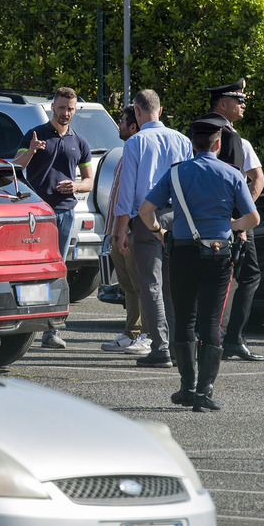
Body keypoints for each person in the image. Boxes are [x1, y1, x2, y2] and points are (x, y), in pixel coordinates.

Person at [139, 115, 260, 412]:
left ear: (192, 144)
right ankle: (204, 392)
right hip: (218, 254)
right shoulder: (231, 174)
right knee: (211, 322)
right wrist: (231, 225)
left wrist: (160, 232)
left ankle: (187, 387)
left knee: (184, 319)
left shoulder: (177, 173)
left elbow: (145, 210)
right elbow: (253, 218)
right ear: (218, 144)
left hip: (182, 251)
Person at [113, 89, 193, 368]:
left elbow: (127, 192)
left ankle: (160, 348)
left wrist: (122, 229)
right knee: (172, 286)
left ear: (136, 111)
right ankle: (174, 344)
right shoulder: (183, 140)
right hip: (177, 218)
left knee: (151, 285)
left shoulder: (135, 143)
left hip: (146, 218)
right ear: (160, 109)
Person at [13, 86, 93, 349]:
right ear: (52, 108)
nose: (65, 113)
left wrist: (76, 186)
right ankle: (23, 327)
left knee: (59, 270)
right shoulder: (34, 135)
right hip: (37, 214)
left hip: (66, 212)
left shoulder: (80, 142)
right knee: (33, 270)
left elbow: (89, 181)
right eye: (61, 108)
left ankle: (53, 329)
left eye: (70, 109)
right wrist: (32, 151)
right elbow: (15, 168)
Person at [200, 79, 264, 361]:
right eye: (238, 100)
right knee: (247, 275)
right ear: (222, 104)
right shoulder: (234, 138)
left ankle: (206, 337)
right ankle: (232, 339)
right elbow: (257, 180)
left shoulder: (195, 133)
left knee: (204, 279)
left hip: (199, 221)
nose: (243, 105)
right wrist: (239, 218)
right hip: (232, 225)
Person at [101, 106, 149, 354]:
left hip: (128, 231)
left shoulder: (137, 152)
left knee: (141, 285)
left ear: (132, 126)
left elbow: (132, 197)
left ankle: (147, 336)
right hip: (116, 231)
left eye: (121, 121)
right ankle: (131, 332)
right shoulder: (124, 153)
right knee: (128, 287)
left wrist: (124, 230)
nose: (118, 125)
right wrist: (112, 230)